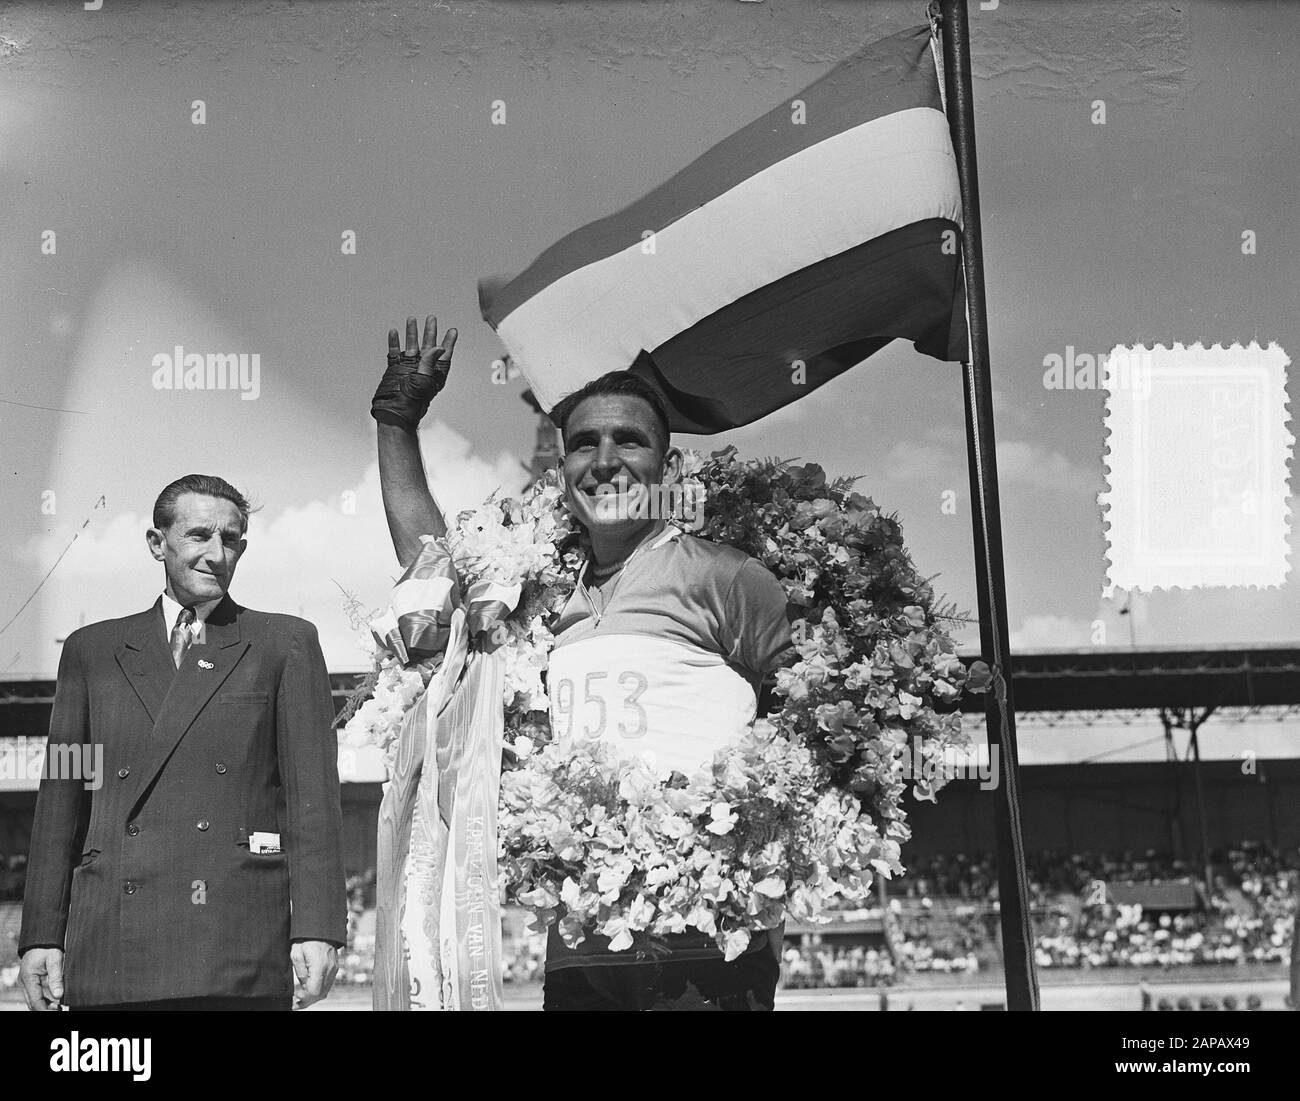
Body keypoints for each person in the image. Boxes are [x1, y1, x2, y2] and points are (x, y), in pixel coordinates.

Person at [371, 315, 794, 1011]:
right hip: (582, 931)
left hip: (705, 930)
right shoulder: (536, 590)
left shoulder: (729, 578)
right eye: (583, 444)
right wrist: (396, 421)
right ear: (562, 467)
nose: (604, 459)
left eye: (629, 439)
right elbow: (429, 572)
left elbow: (808, 721)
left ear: (670, 465)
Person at [19, 475, 345, 1011]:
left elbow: (312, 802)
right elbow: (61, 801)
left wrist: (318, 926)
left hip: (236, 940)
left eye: (232, 539)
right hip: (112, 944)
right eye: (198, 535)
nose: (217, 554)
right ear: (157, 543)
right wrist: (41, 935)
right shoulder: (90, 652)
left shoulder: (284, 643)